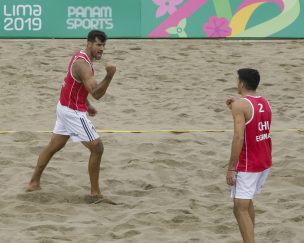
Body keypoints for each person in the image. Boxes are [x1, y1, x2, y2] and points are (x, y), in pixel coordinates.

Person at [26, 30, 116, 203]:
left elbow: (72, 84)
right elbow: (96, 93)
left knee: (54, 146)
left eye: (103, 45)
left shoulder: (81, 57)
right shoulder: (83, 64)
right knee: (97, 147)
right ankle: (95, 194)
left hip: (64, 107)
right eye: (98, 45)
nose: (101, 49)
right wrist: (110, 75)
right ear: (89, 43)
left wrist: (87, 105)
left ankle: (33, 182)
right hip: (72, 112)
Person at [226, 68, 272, 243]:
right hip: (264, 160)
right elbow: (253, 119)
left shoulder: (241, 106)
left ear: (242, 83)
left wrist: (231, 167)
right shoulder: (264, 102)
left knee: (239, 209)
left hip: (248, 163)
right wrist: (235, 108)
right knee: (246, 202)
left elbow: (238, 137)